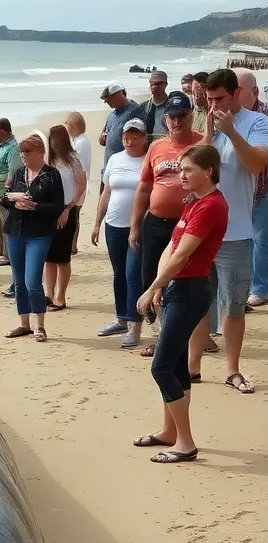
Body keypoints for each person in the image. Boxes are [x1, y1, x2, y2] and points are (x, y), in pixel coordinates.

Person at [134, 145, 228, 463]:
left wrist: (152, 288)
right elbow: (172, 245)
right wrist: (160, 285)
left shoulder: (211, 205)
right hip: (177, 287)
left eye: (188, 170)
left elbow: (183, 255)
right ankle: (170, 431)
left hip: (191, 291)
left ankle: (185, 443)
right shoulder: (194, 202)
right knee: (174, 365)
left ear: (209, 172)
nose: (181, 175)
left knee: (160, 367)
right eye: (181, 168)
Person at [188, 67, 268, 393]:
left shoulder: (257, 123)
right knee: (196, 302)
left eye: (219, 98)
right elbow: (195, 174)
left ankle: (232, 369)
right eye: (209, 99)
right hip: (201, 231)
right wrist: (208, 133)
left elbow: (256, 165)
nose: (214, 105)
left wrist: (232, 132)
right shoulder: (209, 124)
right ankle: (192, 366)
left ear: (236, 94)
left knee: (233, 306)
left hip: (235, 232)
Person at [129, 91, 204, 356]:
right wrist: (135, 226)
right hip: (155, 224)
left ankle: (193, 337)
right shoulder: (156, 147)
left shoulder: (202, 145)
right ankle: (165, 335)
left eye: (181, 115)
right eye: (170, 116)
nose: (175, 121)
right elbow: (143, 188)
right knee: (153, 280)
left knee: (186, 282)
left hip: (189, 224)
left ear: (191, 115)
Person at [0, 134, 65, 342]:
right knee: (18, 281)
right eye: (22, 152)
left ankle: (40, 326)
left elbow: (57, 206)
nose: (23, 155)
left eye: (27, 152)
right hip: (15, 232)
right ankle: (24, 324)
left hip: (38, 235)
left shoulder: (52, 175)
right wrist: (14, 199)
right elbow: (4, 197)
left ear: (39, 152)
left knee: (32, 281)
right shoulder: (19, 173)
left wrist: (35, 206)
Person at [92, 119, 148, 347]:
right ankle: (121, 318)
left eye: (135, 135)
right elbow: (105, 193)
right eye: (127, 135)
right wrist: (97, 223)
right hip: (113, 225)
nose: (130, 140)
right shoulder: (114, 159)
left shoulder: (148, 160)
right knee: (119, 274)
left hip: (139, 227)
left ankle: (135, 326)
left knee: (133, 274)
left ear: (144, 137)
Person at [43, 124, 88, 310]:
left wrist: (70, 207)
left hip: (67, 208)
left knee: (62, 257)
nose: (52, 143)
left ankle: (60, 296)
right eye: (50, 139)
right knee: (48, 257)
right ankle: (48, 294)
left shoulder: (72, 159)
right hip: (50, 210)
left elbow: (81, 184)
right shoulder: (50, 161)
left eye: (54, 139)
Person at [234, 68, 268, 307]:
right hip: (239, 190)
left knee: (260, 238)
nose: (234, 96)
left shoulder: (264, 117)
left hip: (263, 188)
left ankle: (260, 288)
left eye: (238, 91)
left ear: (254, 92)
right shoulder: (232, 117)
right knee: (244, 239)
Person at [0, 118, 23, 261]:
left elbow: (13, 170)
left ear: (2, 131)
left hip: (3, 193)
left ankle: (7, 254)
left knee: (5, 224)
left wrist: (7, 189)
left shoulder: (13, 147)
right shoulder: (0, 146)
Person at [99, 83, 142, 187]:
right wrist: (102, 138)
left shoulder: (135, 112)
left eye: (109, 99)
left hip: (124, 172)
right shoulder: (112, 115)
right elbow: (105, 132)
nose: (108, 103)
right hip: (108, 169)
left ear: (119, 94)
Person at [65, 112, 93, 254]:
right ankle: (71, 244)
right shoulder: (79, 140)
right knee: (73, 214)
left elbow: (78, 165)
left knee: (74, 214)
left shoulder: (81, 142)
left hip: (79, 183)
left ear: (73, 126)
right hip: (78, 182)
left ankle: (73, 245)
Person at [138, 70, 170, 143]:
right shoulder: (143, 107)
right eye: (151, 83)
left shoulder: (172, 107)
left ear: (165, 84)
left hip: (165, 147)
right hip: (146, 149)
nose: (154, 86)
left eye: (158, 83)